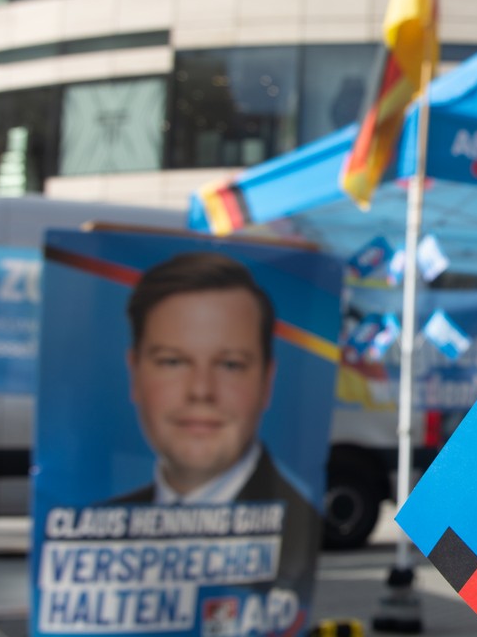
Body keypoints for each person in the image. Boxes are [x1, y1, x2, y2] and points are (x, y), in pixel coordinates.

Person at [112, 251, 323, 595]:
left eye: (230, 365)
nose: (201, 391)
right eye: (173, 361)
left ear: (267, 381)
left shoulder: (300, 528)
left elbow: (442, 545)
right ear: (134, 372)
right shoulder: (97, 525)